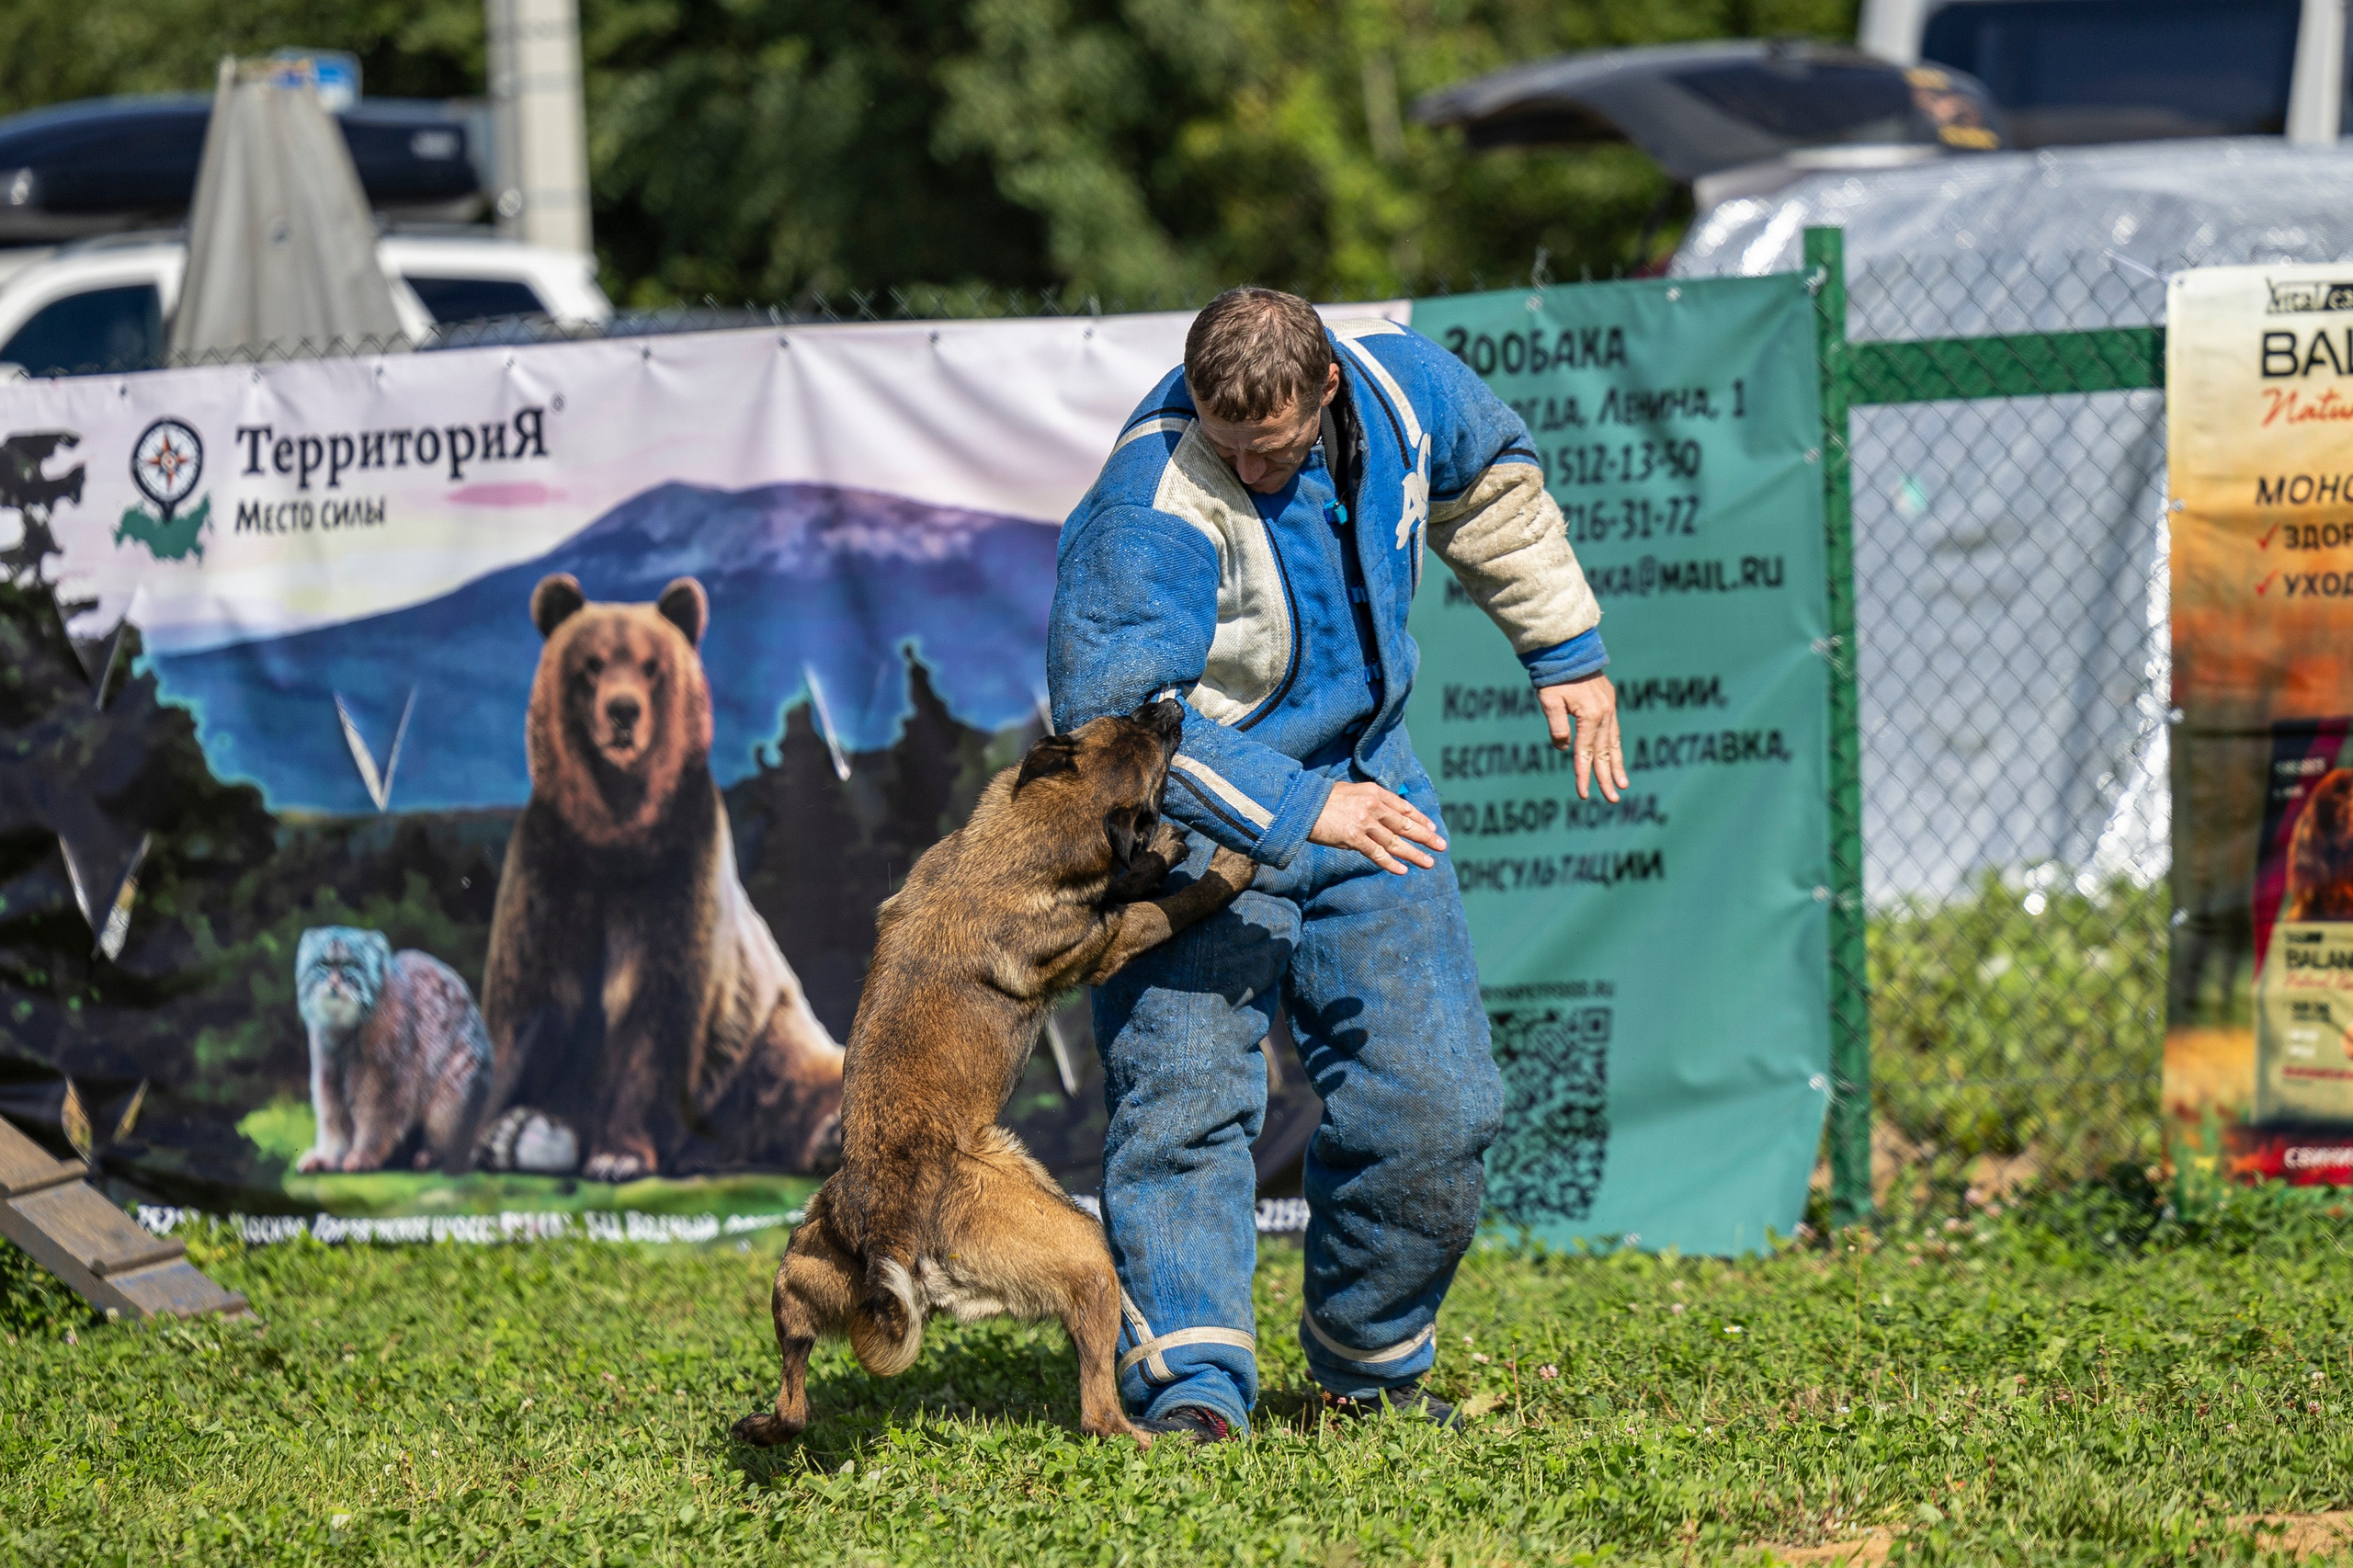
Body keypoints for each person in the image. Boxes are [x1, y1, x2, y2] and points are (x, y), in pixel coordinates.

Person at [1047, 286, 1628, 1440]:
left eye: (1273, 450)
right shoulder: (1148, 495)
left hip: (1373, 790)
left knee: (1439, 1103)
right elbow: (1117, 722)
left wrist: (1566, 650)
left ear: (1323, 387)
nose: (1252, 472)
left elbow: (1495, 491)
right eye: (1230, 448)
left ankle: (1367, 1364)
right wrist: (1305, 807)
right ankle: (1190, 1392)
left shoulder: (1405, 383)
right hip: (1192, 817)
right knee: (1183, 1105)